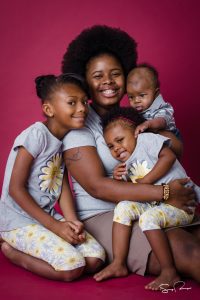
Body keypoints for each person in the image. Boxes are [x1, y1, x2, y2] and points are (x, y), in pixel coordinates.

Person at [61, 25, 200, 284]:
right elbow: (98, 187)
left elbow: (174, 146)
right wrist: (167, 192)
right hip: (106, 217)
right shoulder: (79, 125)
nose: (108, 82)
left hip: (148, 205)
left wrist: (160, 139)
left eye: (115, 74)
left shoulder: (133, 115)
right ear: (84, 81)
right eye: (98, 75)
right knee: (185, 249)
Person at [0, 73, 105, 281]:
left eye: (84, 101)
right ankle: (12, 252)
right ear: (49, 109)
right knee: (71, 269)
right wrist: (55, 226)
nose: (83, 108)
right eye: (72, 103)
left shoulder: (64, 140)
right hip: (18, 220)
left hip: (46, 217)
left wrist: (71, 220)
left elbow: (63, 184)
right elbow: (15, 189)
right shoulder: (36, 135)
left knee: (95, 259)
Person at [93, 106, 200, 289]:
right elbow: (132, 190)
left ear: (135, 133)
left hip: (180, 206)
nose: (117, 148)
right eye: (111, 146)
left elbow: (168, 156)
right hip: (157, 205)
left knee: (148, 219)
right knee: (123, 207)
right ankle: (119, 262)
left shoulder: (146, 140)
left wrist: (146, 181)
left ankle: (169, 271)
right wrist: (119, 178)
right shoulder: (126, 162)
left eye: (120, 140)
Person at [127, 64, 181, 141]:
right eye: (131, 97)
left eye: (142, 95)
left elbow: (162, 121)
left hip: (170, 138)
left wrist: (148, 124)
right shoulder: (138, 111)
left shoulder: (162, 107)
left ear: (156, 93)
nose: (136, 101)